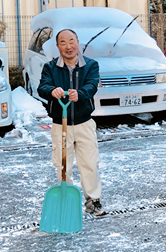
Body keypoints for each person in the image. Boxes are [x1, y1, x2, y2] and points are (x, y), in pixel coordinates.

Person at [38, 29, 105, 216]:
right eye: (63, 43)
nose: (68, 46)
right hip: (61, 124)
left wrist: (80, 94)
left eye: (71, 41)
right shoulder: (50, 67)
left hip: (84, 122)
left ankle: (93, 200)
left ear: (78, 42)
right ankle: (66, 198)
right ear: (58, 46)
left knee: (89, 163)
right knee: (62, 163)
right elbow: (42, 87)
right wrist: (52, 90)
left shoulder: (91, 65)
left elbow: (92, 85)